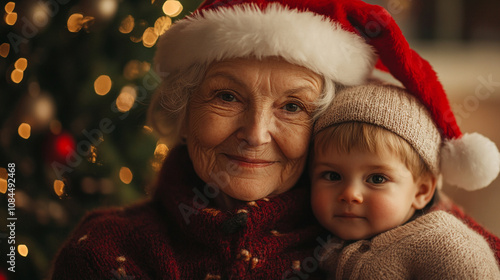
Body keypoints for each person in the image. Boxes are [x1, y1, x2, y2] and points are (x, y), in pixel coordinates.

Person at [50, 0, 500, 279]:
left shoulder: (401, 229)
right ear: (184, 109)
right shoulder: (108, 252)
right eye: (226, 96)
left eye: (292, 107)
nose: (255, 134)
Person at [311, 81, 500, 279]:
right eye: (332, 176)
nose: (350, 194)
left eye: (376, 178)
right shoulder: (319, 244)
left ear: (421, 191)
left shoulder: (447, 246)